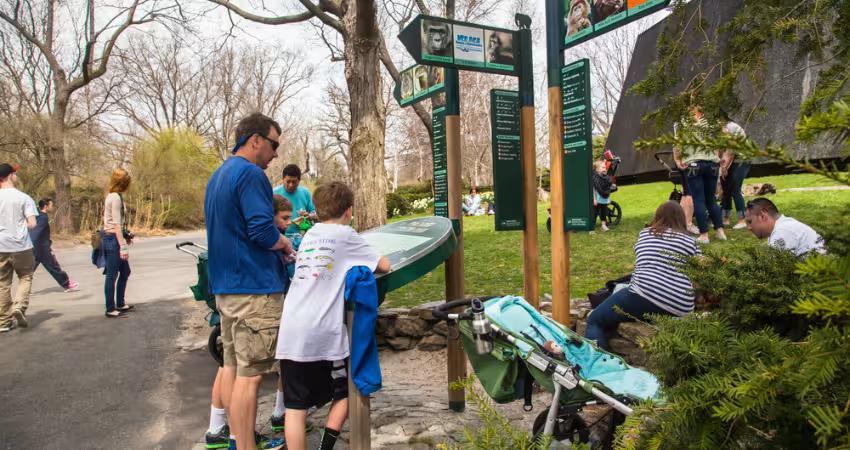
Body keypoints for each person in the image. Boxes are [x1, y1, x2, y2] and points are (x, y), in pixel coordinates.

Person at [277, 181, 390, 450]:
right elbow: (384, 265)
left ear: (316, 209)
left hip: (291, 331)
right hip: (321, 334)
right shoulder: (346, 235)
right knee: (347, 392)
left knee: (295, 407)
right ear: (349, 211)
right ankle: (325, 447)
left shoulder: (309, 235)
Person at [204, 112, 292, 450]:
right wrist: (284, 244)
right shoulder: (252, 174)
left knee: (231, 367)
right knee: (250, 377)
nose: (275, 154)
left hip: (226, 289)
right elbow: (260, 228)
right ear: (254, 139)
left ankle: (239, 440)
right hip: (254, 289)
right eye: (273, 144)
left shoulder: (219, 175)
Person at [585, 201, 701, 349]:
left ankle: (600, 366)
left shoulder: (646, 233)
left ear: (657, 217)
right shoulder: (692, 242)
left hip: (644, 294)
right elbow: (700, 272)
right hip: (680, 305)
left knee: (595, 320)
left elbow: (641, 257)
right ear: (681, 219)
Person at [673, 104, 727, 244]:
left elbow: (677, 144)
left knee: (698, 199)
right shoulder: (712, 122)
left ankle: (704, 235)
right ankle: (720, 231)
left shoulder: (683, 123)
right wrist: (718, 157)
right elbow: (722, 139)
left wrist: (677, 159)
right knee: (711, 199)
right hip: (712, 164)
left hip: (694, 164)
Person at [0, 163, 38, 332]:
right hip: (21, 245)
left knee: (3, 283)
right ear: (10, 176)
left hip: (1, 245)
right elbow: (32, 224)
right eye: (15, 173)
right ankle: (19, 307)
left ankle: (3, 322)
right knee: (25, 276)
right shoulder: (24, 198)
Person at [102, 168, 135, 318]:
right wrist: (123, 246)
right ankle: (110, 308)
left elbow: (119, 224)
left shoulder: (115, 195)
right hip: (112, 240)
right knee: (111, 275)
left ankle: (120, 303)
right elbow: (116, 224)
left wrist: (126, 235)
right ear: (123, 183)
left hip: (115, 237)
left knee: (125, 271)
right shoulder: (114, 197)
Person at [744, 197, 825, 257]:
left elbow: (775, 273)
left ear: (762, 215)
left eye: (750, 222)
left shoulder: (783, 231)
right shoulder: (782, 227)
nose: (749, 227)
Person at [30, 198, 79, 293]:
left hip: (35, 247)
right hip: (42, 248)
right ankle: (67, 284)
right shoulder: (43, 217)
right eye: (51, 205)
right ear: (45, 206)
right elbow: (36, 234)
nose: (52, 207)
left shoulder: (37, 216)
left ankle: (24, 289)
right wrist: (43, 246)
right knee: (54, 266)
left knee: (29, 269)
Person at [718, 113, 749, 229]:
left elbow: (731, 150)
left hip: (741, 159)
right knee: (725, 188)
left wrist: (725, 167)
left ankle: (742, 220)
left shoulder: (730, 127)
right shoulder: (721, 129)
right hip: (730, 159)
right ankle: (725, 218)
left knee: (735, 188)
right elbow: (720, 149)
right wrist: (722, 166)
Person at [273, 165, 316, 235]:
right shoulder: (274, 193)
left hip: (300, 235)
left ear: (299, 180)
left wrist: (308, 216)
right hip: (279, 235)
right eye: (288, 181)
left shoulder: (305, 193)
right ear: (283, 179)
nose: (291, 185)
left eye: (294, 182)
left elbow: (314, 212)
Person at [592, 160, 613, 232]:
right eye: (603, 167)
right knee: (595, 212)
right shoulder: (595, 178)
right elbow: (593, 189)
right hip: (597, 198)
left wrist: (609, 198)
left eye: (605, 167)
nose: (605, 169)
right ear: (597, 169)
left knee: (604, 212)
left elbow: (608, 189)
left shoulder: (606, 178)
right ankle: (591, 226)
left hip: (604, 198)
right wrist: (594, 199)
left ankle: (603, 225)